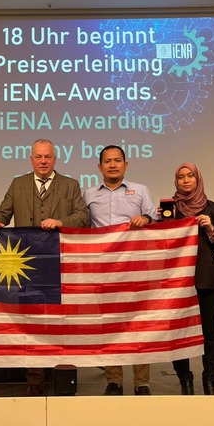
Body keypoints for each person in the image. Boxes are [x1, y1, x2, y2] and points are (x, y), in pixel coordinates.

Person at [0, 138, 89, 396]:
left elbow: (83, 217)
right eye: (38, 157)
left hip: (59, 263)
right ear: (31, 159)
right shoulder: (18, 183)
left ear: (55, 159)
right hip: (27, 266)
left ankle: (62, 375)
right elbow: (3, 211)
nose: (43, 161)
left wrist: (61, 221)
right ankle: (35, 378)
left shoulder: (71, 184)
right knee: (31, 321)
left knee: (60, 321)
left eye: (48, 157)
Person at [82, 145, 156, 396]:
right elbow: (82, 225)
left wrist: (145, 218)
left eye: (117, 160)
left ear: (126, 164)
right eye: (107, 161)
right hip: (103, 268)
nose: (112, 165)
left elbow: (154, 218)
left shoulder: (141, 190)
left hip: (135, 266)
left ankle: (141, 381)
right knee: (110, 324)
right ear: (99, 166)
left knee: (138, 323)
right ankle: (114, 379)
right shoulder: (88, 193)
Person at [169, 163, 214, 395]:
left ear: (198, 179)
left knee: (210, 330)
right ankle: (185, 379)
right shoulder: (169, 208)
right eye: (181, 177)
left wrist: (211, 228)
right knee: (178, 331)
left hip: (207, 276)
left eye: (190, 176)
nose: (185, 180)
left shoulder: (212, 207)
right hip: (177, 280)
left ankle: (210, 379)